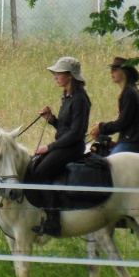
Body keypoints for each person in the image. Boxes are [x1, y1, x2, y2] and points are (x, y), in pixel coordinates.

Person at [29, 56, 91, 237]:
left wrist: (49, 147)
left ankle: (53, 221)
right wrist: (52, 120)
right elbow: (65, 129)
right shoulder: (67, 97)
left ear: (70, 76)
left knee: (41, 171)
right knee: (35, 167)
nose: (55, 76)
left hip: (73, 148)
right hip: (66, 145)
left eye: (58, 73)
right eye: (55, 73)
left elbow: (76, 134)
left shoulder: (80, 99)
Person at [89, 57, 139, 154]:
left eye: (115, 70)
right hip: (131, 140)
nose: (112, 73)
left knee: (110, 164)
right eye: (112, 70)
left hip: (133, 141)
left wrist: (101, 127)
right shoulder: (129, 91)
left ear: (125, 72)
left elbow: (123, 122)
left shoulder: (129, 93)